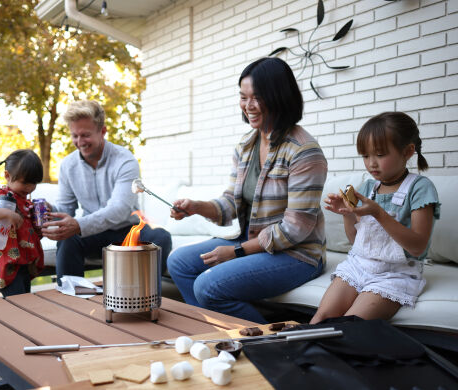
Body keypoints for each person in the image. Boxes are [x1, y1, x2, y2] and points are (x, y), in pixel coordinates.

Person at [167, 57, 327, 323]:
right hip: (249, 239)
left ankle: (268, 342)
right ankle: (213, 329)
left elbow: (296, 229)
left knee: (208, 286)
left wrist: (237, 252)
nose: (248, 106)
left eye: (257, 97)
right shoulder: (246, 145)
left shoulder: (303, 151)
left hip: (296, 254)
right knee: (179, 262)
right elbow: (231, 202)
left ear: (278, 96)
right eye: (243, 97)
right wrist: (196, 207)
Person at [311, 112, 440, 324]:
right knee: (321, 317)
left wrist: (378, 213)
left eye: (380, 155)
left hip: (395, 275)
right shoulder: (368, 188)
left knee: (350, 325)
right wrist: (348, 214)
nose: (371, 163)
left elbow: (418, 247)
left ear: (408, 151)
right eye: (365, 156)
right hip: (358, 266)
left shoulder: (420, 188)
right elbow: (358, 243)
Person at [42, 100, 172, 281]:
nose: (80, 142)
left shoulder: (125, 161)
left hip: (126, 231)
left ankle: (140, 296)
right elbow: (66, 209)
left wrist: (79, 225)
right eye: (75, 136)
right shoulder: (67, 166)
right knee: (68, 239)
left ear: (102, 131)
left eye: (85, 135)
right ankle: (70, 295)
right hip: (91, 233)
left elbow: (119, 210)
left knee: (161, 238)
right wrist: (52, 212)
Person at [0, 149, 45, 297]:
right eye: (25, 183)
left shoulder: (25, 200)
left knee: (25, 300)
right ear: (7, 176)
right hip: (8, 262)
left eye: (34, 183)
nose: (29, 188)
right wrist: (6, 213)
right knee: (18, 304)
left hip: (25, 262)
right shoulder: (0, 196)